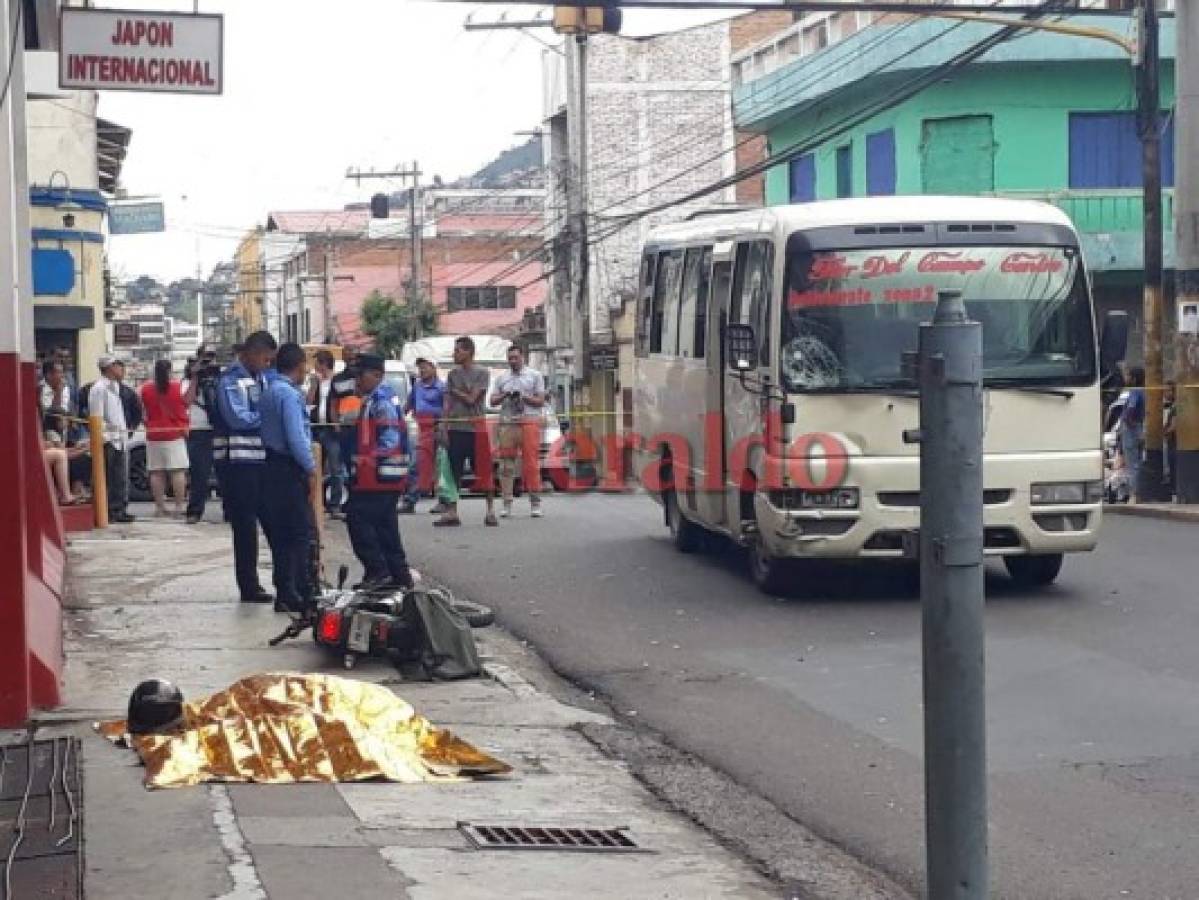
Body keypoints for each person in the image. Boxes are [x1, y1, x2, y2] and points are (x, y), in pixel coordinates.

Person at [212, 331, 278, 604]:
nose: (266, 364)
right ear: (251, 353)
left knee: (269, 522)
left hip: (259, 459)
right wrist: (269, 419)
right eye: (264, 358)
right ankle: (249, 586)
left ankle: (276, 581)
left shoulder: (260, 378)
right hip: (237, 463)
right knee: (245, 526)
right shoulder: (230, 381)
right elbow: (237, 419)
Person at [346, 353, 414, 590]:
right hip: (383, 476)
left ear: (375, 375)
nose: (357, 381)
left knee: (358, 517)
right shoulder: (374, 398)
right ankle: (399, 576)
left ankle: (378, 570)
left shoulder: (381, 401)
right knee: (385, 527)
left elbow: (390, 437)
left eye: (360, 376)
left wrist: (368, 460)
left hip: (381, 475)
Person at [260, 342, 318, 613]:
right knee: (300, 533)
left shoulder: (270, 392)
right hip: (289, 467)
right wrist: (311, 468)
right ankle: (300, 589)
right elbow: (297, 437)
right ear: (299, 365)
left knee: (282, 534)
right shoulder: (290, 395)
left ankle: (284, 589)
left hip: (270, 467)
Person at [435, 336, 497, 528]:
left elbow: (473, 399)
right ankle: (452, 512)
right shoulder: (452, 374)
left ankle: (490, 510)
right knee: (453, 471)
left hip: (476, 427)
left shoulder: (482, 373)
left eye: (458, 351)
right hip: (456, 427)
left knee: (483, 469)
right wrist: (443, 425)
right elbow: (448, 401)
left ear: (468, 352)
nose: (455, 354)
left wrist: (457, 392)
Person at [490, 345, 546, 519]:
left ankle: (535, 503)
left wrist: (524, 396)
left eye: (515, 357)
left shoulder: (535, 376)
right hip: (508, 422)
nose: (512, 361)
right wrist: (505, 395)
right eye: (510, 358)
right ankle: (506, 503)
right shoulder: (502, 378)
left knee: (531, 464)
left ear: (523, 357)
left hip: (529, 420)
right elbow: (492, 401)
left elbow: (541, 401)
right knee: (506, 465)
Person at [140, 359, 190, 518]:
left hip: (154, 433)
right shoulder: (179, 387)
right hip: (175, 432)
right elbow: (187, 404)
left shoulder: (145, 388)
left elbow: (142, 412)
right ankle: (178, 506)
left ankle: (159, 507)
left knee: (156, 472)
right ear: (170, 370)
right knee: (177, 471)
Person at [88, 356, 134, 523]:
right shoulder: (99, 388)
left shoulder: (115, 387)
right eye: (116, 365)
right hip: (108, 439)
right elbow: (97, 416)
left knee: (119, 477)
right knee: (107, 477)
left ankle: (118, 509)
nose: (120, 368)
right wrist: (104, 437)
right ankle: (107, 510)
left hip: (119, 438)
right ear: (108, 367)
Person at [401, 357, 447, 515]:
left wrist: (443, 425)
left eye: (425, 367)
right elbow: (408, 405)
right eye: (420, 368)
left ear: (434, 369)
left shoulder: (442, 387)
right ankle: (410, 500)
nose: (422, 370)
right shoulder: (417, 386)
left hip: (438, 428)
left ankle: (444, 501)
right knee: (415, 465)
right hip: (421, 429)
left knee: (441, 468)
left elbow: (447, 408)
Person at [182, 347, 219, 524]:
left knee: (225, 473)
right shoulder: (188, 380)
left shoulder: (221, 377)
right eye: (205, 359)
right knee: (199, 475)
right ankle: (195, 511)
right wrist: (196, 376)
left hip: (218, 429)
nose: (208, 363)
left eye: (211, 358)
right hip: (199, 430)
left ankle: (229, 511)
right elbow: (186, 401)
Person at [307, 350, 344, 515]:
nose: (315, 367)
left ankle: (335, 503)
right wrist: (314, 386)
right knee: (316, 469)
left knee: (336, 469)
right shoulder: (316, 382)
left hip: (331, 429)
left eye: (317, 364)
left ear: (324, 364)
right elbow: (308, 402)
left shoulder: (336, 382)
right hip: (317, 427)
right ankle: (318, 502)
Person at [328, 346, 361, 519]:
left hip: (362, 430)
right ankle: (338, 504)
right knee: (341, 469)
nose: (350, 356)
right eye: (347, 353)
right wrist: (335, 424)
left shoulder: (364, 377)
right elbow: (333, 404)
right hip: (344, 429)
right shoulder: (338, 379)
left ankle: (358, 503)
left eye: (353, 353)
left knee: (360, 467)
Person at [1120, 365, 1146, 504]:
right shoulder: (1143, 391)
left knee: (1132, 464)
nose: (1126, 378)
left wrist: (1128, 422)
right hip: (1139, 427)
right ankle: (1138, 494)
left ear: (1134, 378)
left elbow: (1130, 409)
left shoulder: (1135, 392)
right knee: (1138, 463)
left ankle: (1133, 494)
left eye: (1128, 375)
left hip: (1132, 429)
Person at [1164, 380, 1178, 500]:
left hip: (1175, 443)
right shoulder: (1173, 406)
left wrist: (1163, 433)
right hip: (1172, 443)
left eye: (1168, 391)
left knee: (1174, 468)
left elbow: (1174, 426)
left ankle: (1176, 492)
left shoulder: (1176, 406)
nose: (1165, 393)